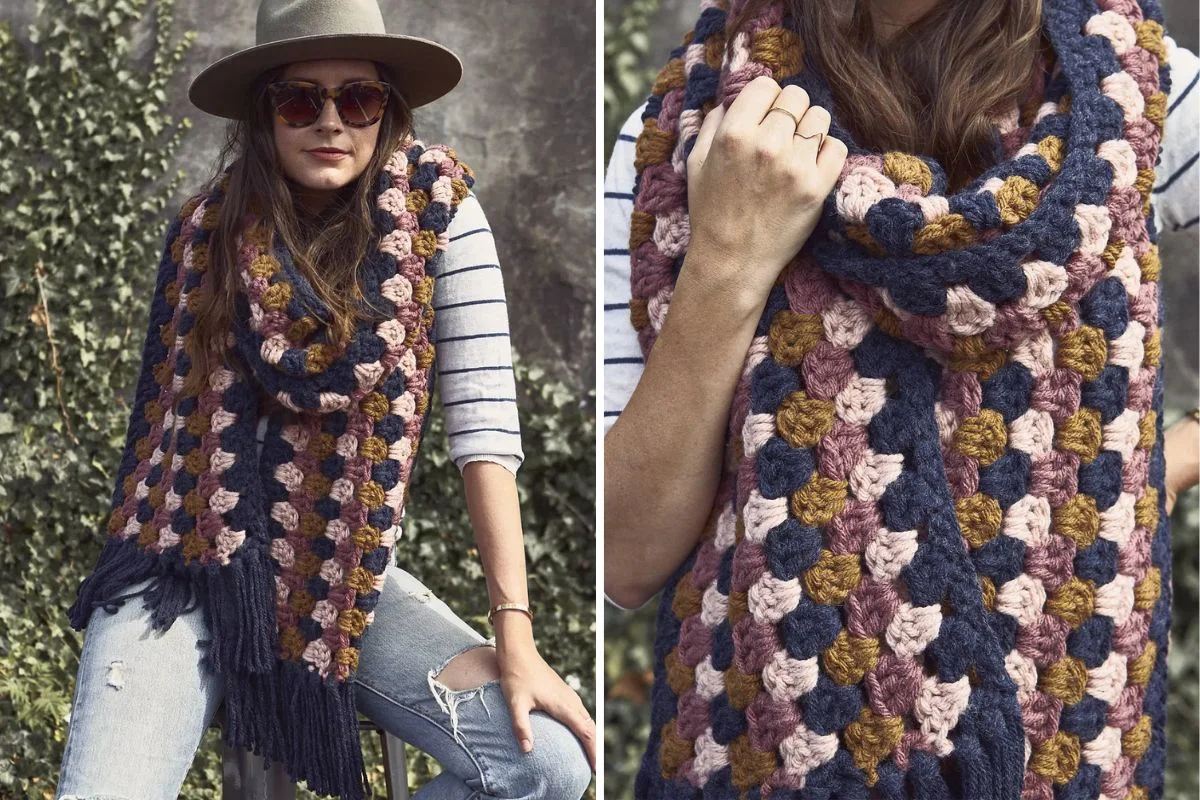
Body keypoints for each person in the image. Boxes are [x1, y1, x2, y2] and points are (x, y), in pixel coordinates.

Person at [604, 0, 1198, 797]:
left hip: (1061, 729)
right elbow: (626, 557)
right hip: (775, 742)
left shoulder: (1130, 95)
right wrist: (725, 257)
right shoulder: (691, 133)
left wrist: (1142, 481)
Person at [56, 2, 593, 799]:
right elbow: (168, 446)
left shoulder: (444, 223)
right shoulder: (204, 236)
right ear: (265, 113)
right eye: (301, 100)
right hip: (187, 570)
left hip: (342, 578)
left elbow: (485, 433)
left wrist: (513, 629)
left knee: (545, 764)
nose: (332, 121)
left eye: (360, 98)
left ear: (388, 109)